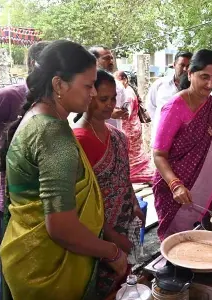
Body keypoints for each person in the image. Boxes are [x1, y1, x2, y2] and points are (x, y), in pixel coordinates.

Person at [0, 40, 127, 299]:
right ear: (59, 85)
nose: (91, 94)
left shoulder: (37, 117)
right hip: (51, 270)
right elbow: (61, 227)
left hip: (27, 255)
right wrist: (112, 252)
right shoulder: (52, 133)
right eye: (88, 86)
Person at [73, 70, 144, 297]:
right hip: (94, 233)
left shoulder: (118, 136)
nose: (110, 104)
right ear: (88, 96)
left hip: (123, 224)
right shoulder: (77, 141)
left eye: (113, 98)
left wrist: (133, 205)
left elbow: (125, 179)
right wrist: (110, 234)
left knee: (123, 286)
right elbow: (78, 204)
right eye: (103, 99)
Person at [152, 49, 212, 240]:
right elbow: (158, 154)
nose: (210, 84)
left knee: (208, 239)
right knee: (179, 243)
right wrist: (175, 185)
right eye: (204, 77)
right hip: (177, 190)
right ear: (190, 74)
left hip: (209, 185)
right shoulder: (174, 107)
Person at [0, 41, 50, 214]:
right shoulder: (7, 96)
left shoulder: (55, 100)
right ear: (34, 63)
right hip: (14, 191)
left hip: (45, 191)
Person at [113, 70, 154, 183]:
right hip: (132, 128)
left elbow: (127, 113)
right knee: (136, 155)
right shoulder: (128, 91)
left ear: (125, 80)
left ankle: (144, 176)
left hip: (129, 130)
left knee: (132, 156)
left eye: (117, 79)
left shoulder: (128, 94)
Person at [147, 51, 192, 145]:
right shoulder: (160, 84)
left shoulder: (195, 88)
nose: (185, 69)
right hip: (161, 139)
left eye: (188, 66)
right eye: (182, 65)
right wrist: (163, 124)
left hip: (185, 141)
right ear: (174, 65)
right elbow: (151, 107)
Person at [89, 46, 128, 127]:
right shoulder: (85, 84)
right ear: (94, 60)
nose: (111, 62)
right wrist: (109, 113)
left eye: (111, 58)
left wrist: (123, 113)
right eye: (106, 58)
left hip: (114, 133)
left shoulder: (118, 85)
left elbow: (124, 105)